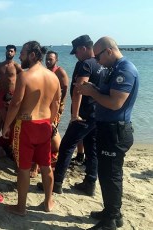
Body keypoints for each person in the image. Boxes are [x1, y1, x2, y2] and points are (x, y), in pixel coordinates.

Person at [77, 36, 139, 230]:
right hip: (108, 128)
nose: (96, 61)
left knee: (110, 174)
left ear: (109, 51)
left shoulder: (125, 69)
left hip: (116, 130)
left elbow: (115, 103)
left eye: (98, 56)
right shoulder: (114, 68)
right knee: (106, 173)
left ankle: (111, 219)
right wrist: (94, 88)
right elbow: (108, 95)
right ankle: (112, 212)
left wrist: (91, 93)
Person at [2, 41, 61, 216]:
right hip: (45, 124)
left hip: (26, 126)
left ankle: (21, 207)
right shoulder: (53, 77)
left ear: (33, 55)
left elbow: (15, 104)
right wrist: (51, 122)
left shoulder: (25, 76)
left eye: (23, 52)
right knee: (46, 165)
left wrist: (6, 125)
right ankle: (48, 201)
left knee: (24, 168)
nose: (20, 56)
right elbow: (56, 103)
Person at [51, 35, 107, 196]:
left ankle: (57, 183)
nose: (75, 55)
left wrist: (74, 115)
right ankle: (90, 183)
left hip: (83, 114)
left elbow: (78, 89)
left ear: (83, 48)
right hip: (97, 113)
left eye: (76, 51)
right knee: (92, 149)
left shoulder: (85, 64)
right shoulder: (101, 63)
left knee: (66, 146)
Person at [30, 50, 69, 177]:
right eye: (46, 58)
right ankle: (43, 160)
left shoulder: (59, 72)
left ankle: (39, 164)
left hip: (54, 108)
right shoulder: (44, 72)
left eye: (50, 59)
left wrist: (60, 107)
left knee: (48, 134)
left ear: (56, 60)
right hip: (43, 107)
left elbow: (65, 88)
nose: (48, 61)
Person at [0, 45, 23, 142]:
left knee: (12, 120)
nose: (9, 53)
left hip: (12, 95)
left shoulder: (17, 66)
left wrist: (22, 93)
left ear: (15, 53)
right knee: (0, 119)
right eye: (8, 51)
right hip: (1, 95)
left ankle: (10, 141)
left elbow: (24, 79)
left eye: (11, 51)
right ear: (5, 52)